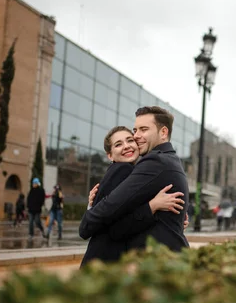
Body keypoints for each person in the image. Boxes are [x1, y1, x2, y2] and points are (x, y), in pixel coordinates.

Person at [80, 106, 190, 252]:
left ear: (163, 132)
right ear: (109, 155)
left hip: (160, 261)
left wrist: (87, 219)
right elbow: (118, 220)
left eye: (143, 129)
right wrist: (153, 206)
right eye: (135, 130)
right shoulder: (170, 160)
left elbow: (112, 206)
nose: (137, 136)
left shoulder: (156, 161)